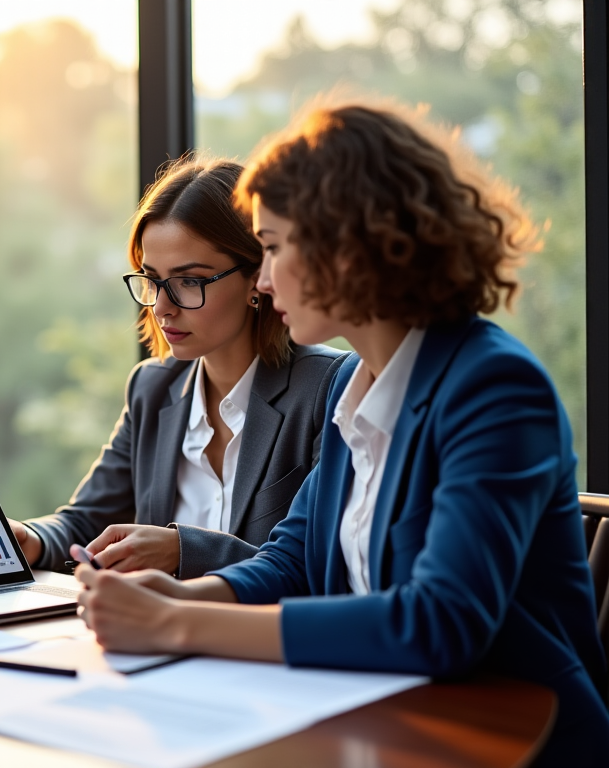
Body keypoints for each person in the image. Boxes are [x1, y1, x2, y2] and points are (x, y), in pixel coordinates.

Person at [75, 101, 609, 765]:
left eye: (271, 249)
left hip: (506, 741)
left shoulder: (494, 385)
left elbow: (441, 623)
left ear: (347, 246)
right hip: (377, 722)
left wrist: (179, 622)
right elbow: (292, 561)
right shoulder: (359, 388)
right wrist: (180, 593)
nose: (263, 282)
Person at [12, 158, 347, 578]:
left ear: (256, 278)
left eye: (190, 280)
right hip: (155, 636)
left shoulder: (328, 388)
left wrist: (184, 550)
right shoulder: (153, 387)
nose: (163, 307)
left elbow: (317, 566)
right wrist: (29, 536)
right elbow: (86, 521)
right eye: (153, 279)